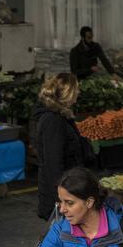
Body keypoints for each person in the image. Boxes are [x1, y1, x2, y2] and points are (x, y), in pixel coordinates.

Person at [34, 73, 87, 220]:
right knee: (62, 237)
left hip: (68, 190)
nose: (78, 92)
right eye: (76, 89)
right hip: (61, 196)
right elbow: (54, 163)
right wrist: (64, 199)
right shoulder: (53, 121)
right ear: (68, 93)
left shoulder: (61, 117)